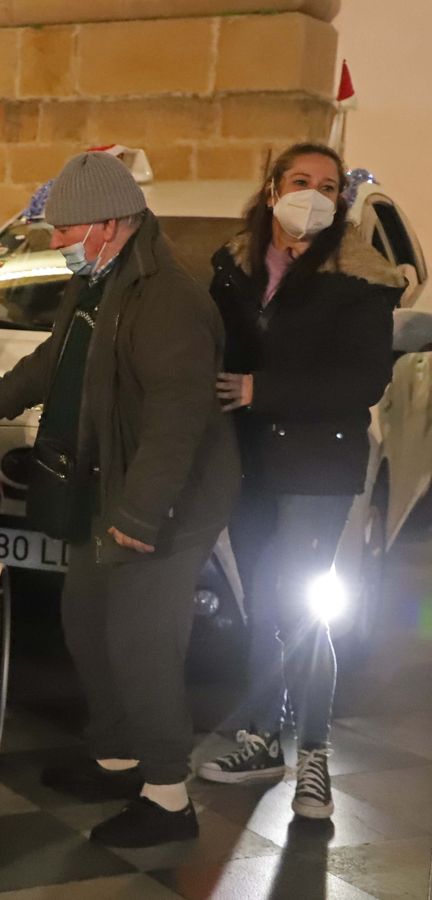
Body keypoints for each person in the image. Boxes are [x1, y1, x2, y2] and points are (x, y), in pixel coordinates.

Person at [0, 151, 240, 848]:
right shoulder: (99, 286)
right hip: (107, 485)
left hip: (164, 502)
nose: (56, 243)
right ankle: (119, 758)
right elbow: (51, 363)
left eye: (66, 230)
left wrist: (141, 517)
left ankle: (169, 796)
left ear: (112, 225)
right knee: (87, 621)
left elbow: (177, 420)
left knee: (141, 640)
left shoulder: (169, 301)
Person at [198, 144, 400, 820]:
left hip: (317, 462)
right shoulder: (233, 265)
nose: (314, 194)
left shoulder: (360, 276)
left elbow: (363, 380)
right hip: (248, 460)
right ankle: (260, 736)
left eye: (328, 185)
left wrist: (264, 389)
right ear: (272, 186)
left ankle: (313, 752)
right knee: (262, 600)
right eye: (301, 181)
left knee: (305, 605)